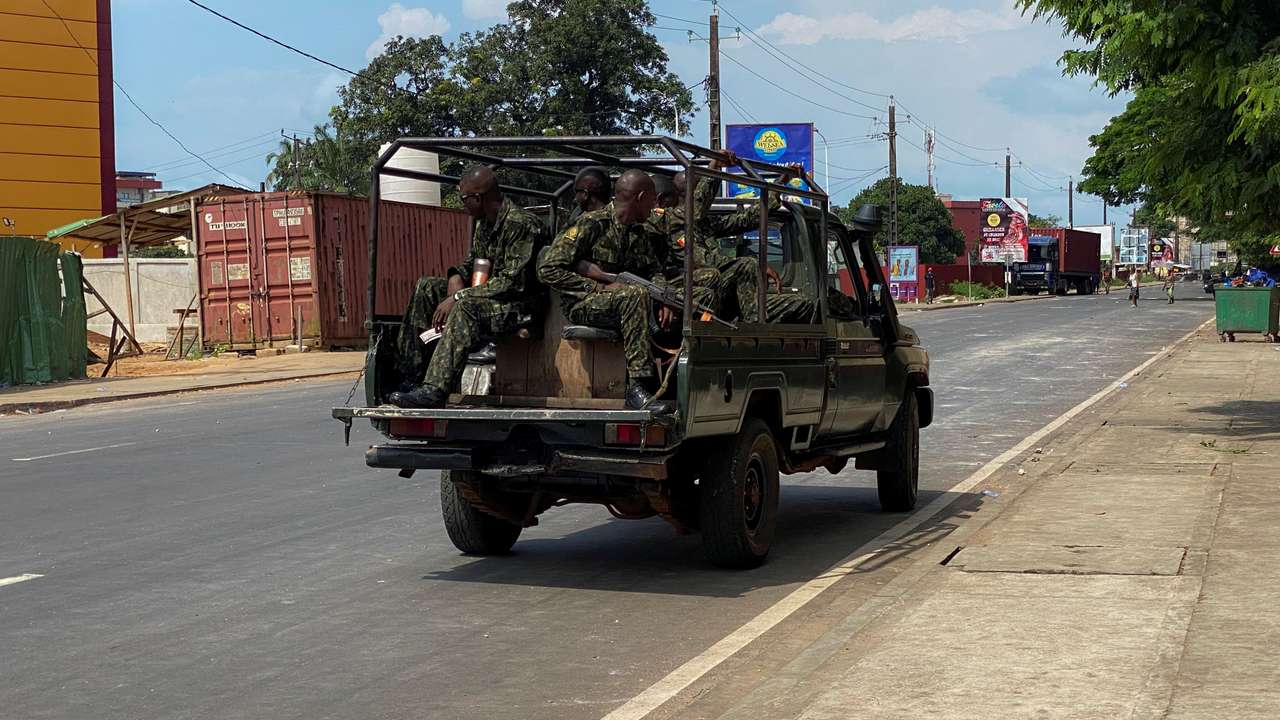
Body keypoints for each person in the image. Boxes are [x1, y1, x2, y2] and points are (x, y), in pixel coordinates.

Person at [538, 170, 713, 413]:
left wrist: (665, 297)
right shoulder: (592, 224)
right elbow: (548, 268)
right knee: (634, 295)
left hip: (626, 300)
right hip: (584, 303)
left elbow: (654, 270)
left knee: (695, 297)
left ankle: (676, 375)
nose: (654, 208)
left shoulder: (636, 231)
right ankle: (638, 385)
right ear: (640, 197)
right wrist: (598, 286)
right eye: (652, 201)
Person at [389, 166, 545, 408]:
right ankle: (411, 376)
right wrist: (456, 276)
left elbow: (513, 282)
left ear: (478, 198)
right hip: (491, 298)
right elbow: (473, 263)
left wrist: (459, 296)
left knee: (466, 307)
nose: (462, 205)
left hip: (521, 307)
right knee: (427, 287)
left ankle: (434, 390)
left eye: (463, 199)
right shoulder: (484, 224)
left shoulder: (521, 225)